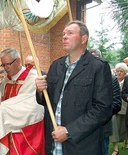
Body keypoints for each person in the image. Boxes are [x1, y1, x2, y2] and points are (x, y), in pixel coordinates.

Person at [35, 20, 113, 155]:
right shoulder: (56, 65)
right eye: (63, 34)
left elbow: (102, 109)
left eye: (70, 33)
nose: (64, 37)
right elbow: (47, 102)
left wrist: (69, 131)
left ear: (83, 39)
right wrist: (40, 91)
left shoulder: (98, 67)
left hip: (82, 146)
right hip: (54, 145)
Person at [0, 48, 45, 155]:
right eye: (3, 65)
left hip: (25, 131)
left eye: (8, 64)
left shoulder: (32, 77)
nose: (5, 68)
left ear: (18, 61)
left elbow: (33, 105)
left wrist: (5, 109)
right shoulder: (6, 79)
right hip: (7, 130)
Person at [89, 48, 122, 155]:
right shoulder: (82, 78)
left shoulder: (111, 79)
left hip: (102, 128)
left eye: (95, 59)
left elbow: (116, 104)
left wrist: (97, 115)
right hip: (82, 130)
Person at [110, 62, 128, 155]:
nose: (119, 73)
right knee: (114, 127)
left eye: (121, 71)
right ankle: (116, 149)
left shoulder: (127, 81)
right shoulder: (113, 81)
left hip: (126, 108)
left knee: (125, 127)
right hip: (116, 108)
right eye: (117, 71)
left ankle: (126, 143)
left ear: (125, 72)